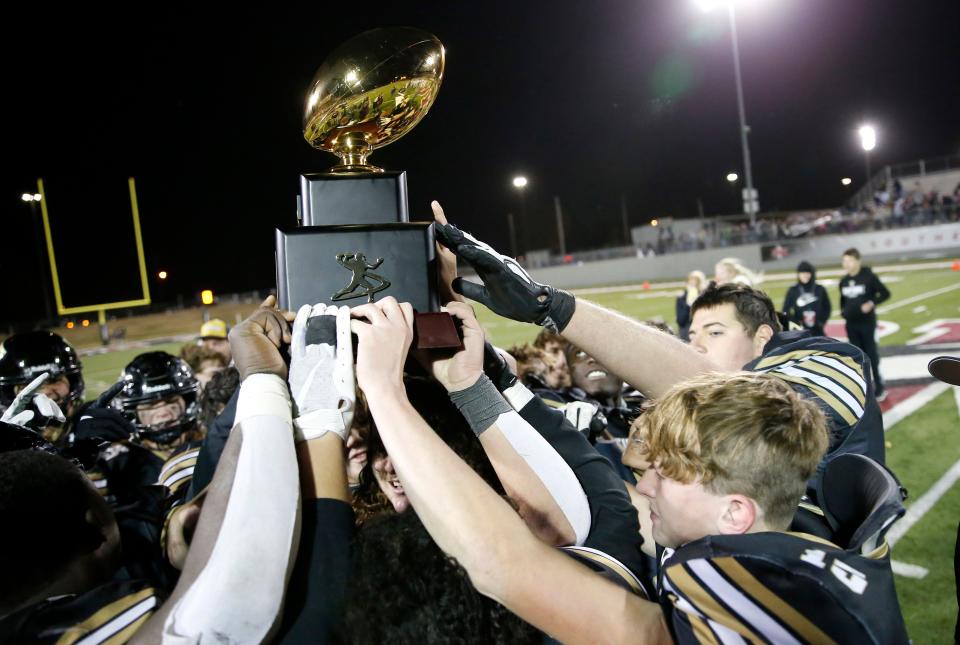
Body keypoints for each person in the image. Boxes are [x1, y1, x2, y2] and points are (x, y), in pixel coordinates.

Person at [348, 296, 908, 643]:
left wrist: (383, 389)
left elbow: (502, 565)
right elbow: (602, 491)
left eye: (668, 473)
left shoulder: (758, 599)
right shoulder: (779, 536)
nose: (644, 481)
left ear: (735, 511)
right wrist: (475, 386)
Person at [432, 215, 885, 500]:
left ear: (763, 336)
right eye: (692, 334)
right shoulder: (681, 409)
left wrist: (547, 305)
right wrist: (483, 363)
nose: (698, 345)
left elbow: (748, 409)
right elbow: (580, 432)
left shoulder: (834, 360)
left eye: (715, 331)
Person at [0, 331, 84, 444]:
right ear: (8, 392)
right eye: (29, 385)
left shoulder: (89, 424)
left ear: (73, 382)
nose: (45, 392)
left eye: (54, 380)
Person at [839, 248, 890, 400]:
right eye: (844, 261)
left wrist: (871, 303)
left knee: (872, 355)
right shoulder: (844, 281)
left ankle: (879, 387)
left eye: (849, 261)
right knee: (857, 357)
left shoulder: (869, 277)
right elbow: (843, 301)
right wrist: (844, 312)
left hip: (867, 324)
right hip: (851, 325)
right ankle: (864, 388)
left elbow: (885, 293)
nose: (846, 264)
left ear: (857, 261)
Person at [782, 260, 832, 337]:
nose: (804, 275)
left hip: (818, 329)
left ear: (812, 273)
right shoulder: (793, 290)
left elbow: (827, 307)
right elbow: (785, 310)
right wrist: (796, 323)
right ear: (798, 274)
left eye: (807, 273)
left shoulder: (820, 289)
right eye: (802, 273)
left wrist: (821, 321)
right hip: (800, 331)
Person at [675, 270, 707, 341]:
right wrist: (688, 305)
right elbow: (681, 321)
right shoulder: (681, 297)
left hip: (702, 334)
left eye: (696, 282)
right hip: (686, 333)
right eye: (691, 281)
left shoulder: (705, 297)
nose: (692, 284)